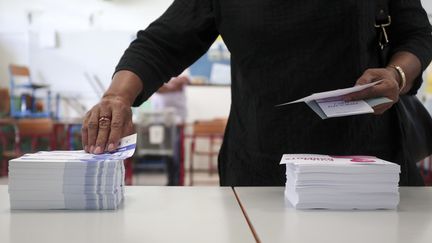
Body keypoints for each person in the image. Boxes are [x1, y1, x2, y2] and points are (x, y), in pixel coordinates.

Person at [82, 0, 432, 186]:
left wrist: (396, 74)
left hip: (368, 167)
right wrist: (117, 96)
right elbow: (162, 43)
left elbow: (418, 34)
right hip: (261, 170)